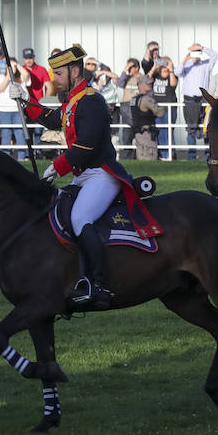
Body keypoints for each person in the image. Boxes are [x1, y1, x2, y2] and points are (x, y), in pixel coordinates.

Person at [20, 44, 136, 309]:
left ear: (74, 71)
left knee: (80, 218)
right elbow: (53, 118)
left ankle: (100, 284)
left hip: (102, 174)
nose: (54, 79)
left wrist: (56, 167)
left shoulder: (92, 100)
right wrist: (25, 102)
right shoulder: (73, 100)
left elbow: (86, 146)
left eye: (58, 74)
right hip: (84, 176)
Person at [178, 42, 217, 159]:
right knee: (191, 128)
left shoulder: (206, 64)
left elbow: (215, 55)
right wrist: (186, 58)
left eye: (197, 52)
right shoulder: (187, 65)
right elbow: (177, 72)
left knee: (205, 126)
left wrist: (202, 48)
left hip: (203, 99)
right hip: (189, 99)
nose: (196, 55)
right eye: (194, 52)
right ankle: (191, 155)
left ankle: (207, 154)